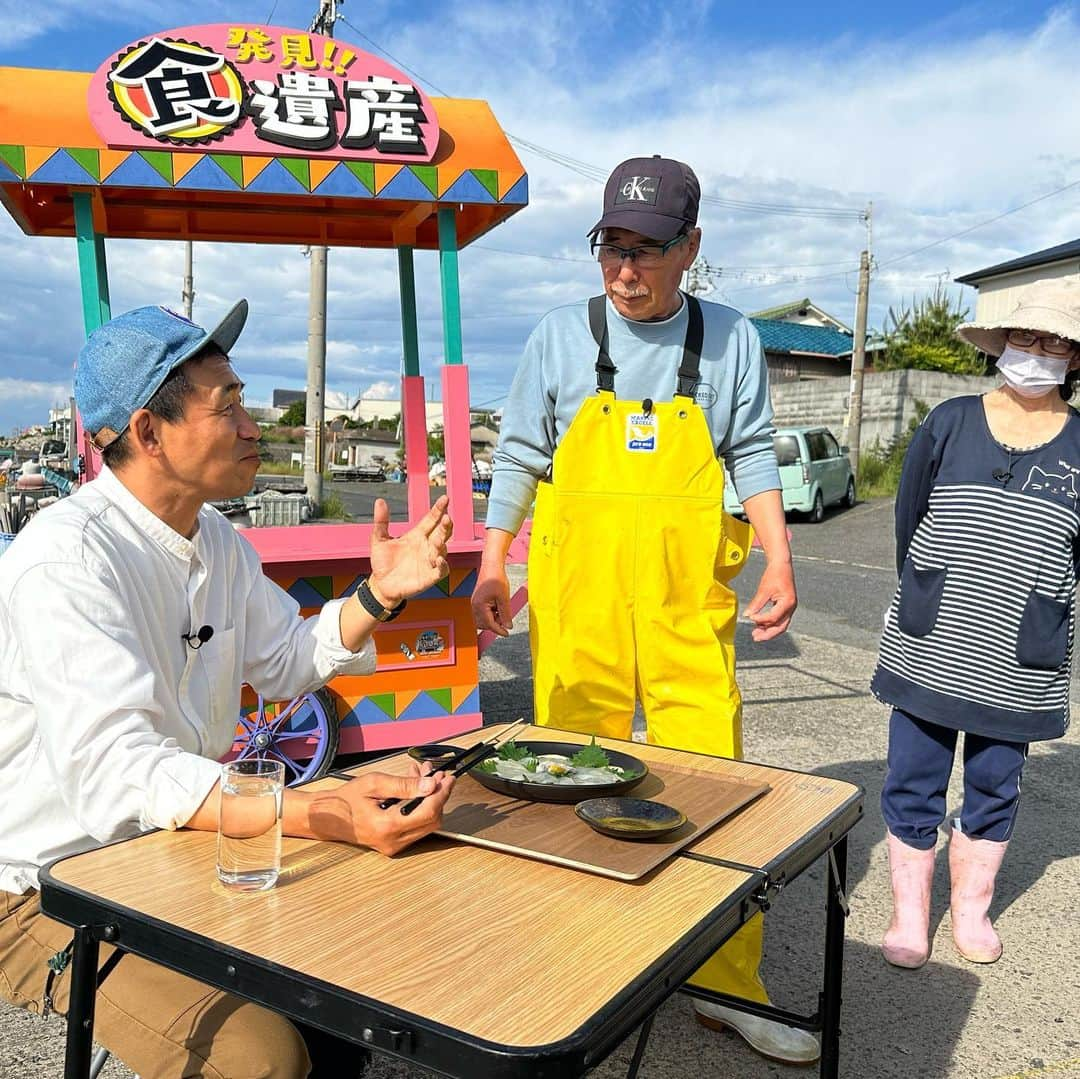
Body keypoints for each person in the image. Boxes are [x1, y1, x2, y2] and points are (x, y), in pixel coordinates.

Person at [0, 300, 456, 1078]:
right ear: (148, 432)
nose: (254, 426)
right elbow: (120, 774)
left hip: (165, 855)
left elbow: (286, 659)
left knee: (357, 986)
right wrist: (317, 808)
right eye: (231, 405)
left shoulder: (217, 539)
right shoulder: (66, 559)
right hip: (43, 886)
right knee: (262, 1059)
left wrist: (379, 595)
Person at [471, 156, 815, 1065]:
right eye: (610, 248)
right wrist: (492, 563)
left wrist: (780, 555)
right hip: (577, 595)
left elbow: (751, 455)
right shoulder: (557, 336)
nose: (624, 271)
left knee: (712, 784)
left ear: (691, 248)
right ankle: (564, 964)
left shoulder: (733, 340)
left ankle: (723, 981)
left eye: (646, 251)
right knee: (561, 773)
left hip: (681, 596)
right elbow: (516, 457)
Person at [873, 277, 1080, 970]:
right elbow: (909, 522)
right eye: (1026, 336)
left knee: (995, 782)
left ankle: (970, 909)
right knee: (913, 774)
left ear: (1074, 358)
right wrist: (927, 593)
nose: (1037, 351)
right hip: (933, 641)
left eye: (1055, 341)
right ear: (1002, 343)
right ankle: (909, 913)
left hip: (1024, 654)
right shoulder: (949, 421)